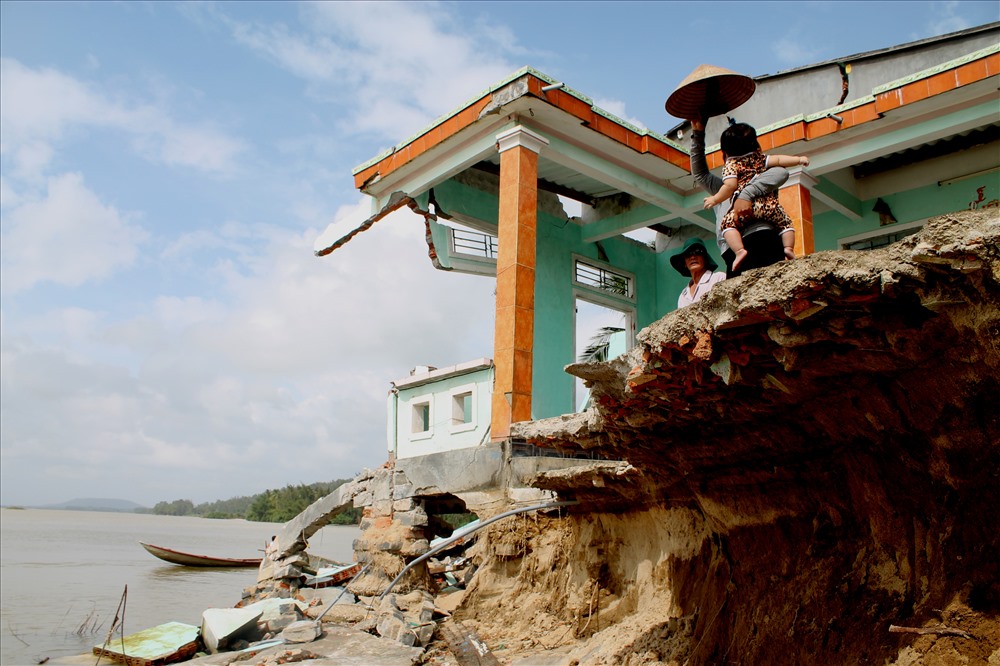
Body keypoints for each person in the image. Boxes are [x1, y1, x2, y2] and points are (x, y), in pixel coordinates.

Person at [690, 117, 789, 277]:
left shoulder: (762, 175)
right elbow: (700, 174)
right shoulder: (723, 188)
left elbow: (782, 172)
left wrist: (746, 195)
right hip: (732, 254)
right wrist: (698, 134)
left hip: (762, 240)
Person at [703, 122, 808, 271]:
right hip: (769, 207)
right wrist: (798, 160)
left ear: (725, 152)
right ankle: (789, 248)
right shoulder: (760, 159)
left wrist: (715, 199)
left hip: (746, 218)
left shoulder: (731, 164)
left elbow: (730, 186)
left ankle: (739, 251)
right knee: (785, 223)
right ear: (755, 145)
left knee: (726, 225)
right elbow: (779, 160)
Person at [670, 237, 726, 308]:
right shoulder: (683, 295)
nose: (693, 257)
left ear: (705, 258)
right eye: (688, 254)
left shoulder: (719, 278)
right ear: (685, 263)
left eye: (697, 252)